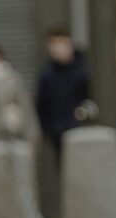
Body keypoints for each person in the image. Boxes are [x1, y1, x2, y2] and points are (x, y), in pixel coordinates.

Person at [35, 28, 91, 168]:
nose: (56, 48)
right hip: (57, 132)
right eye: (52, 44)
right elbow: (42, 105)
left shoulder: (82, 70)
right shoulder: (46, 74)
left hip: (80, 130)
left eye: (60, 42)